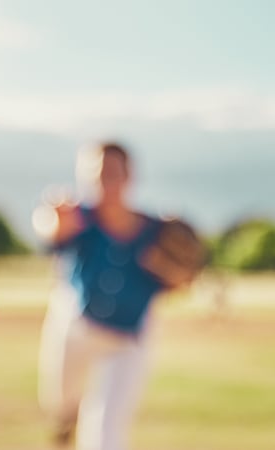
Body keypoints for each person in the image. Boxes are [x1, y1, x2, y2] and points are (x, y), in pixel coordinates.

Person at [33, 142, 173, 450]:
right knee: (60, 402)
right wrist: (54, 219)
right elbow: (48, 227)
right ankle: (65, 422)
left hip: (127, 338)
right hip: (75, 327)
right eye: (95, 174)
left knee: (105, 434)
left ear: (129, 175)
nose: (104, 181)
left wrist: (180, 272)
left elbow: (177, 281)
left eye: (112, 172)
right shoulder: (78, 217)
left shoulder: (155, 231)